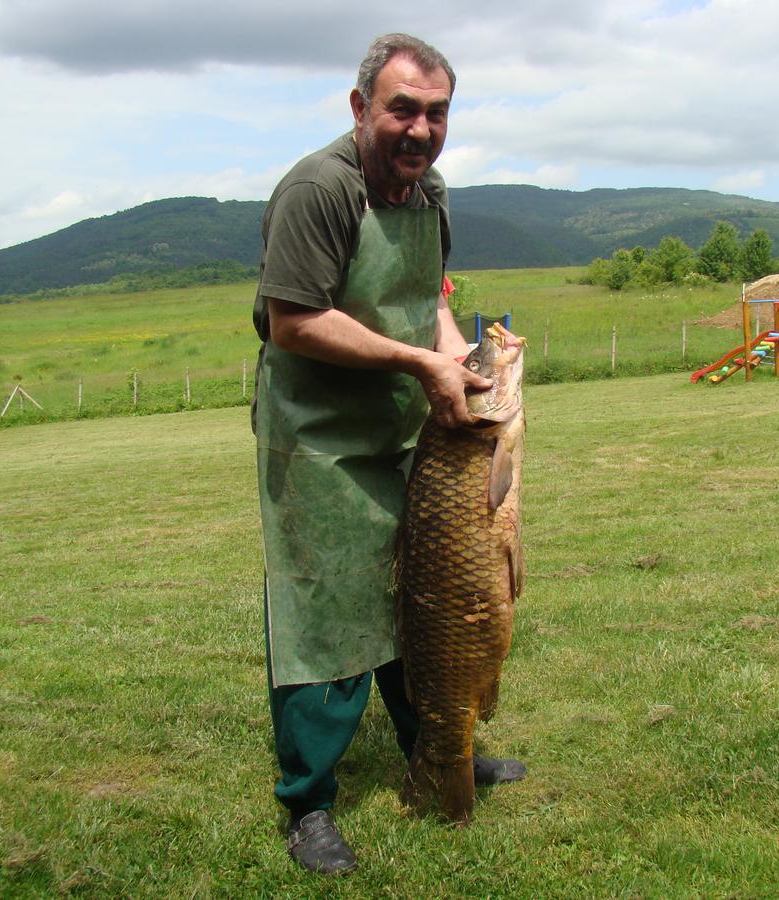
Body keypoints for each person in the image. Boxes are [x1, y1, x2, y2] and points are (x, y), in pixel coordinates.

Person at [251, 33, 526, 876]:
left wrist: (460, 367)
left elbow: (426, 302)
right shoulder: (319, 190)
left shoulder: (427, 192)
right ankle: (310, 804)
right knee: (326, 610)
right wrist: (419, 363)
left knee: (430, 591)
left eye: (436, 112)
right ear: (360, 106)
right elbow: (293, 318)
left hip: (411, 420)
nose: (419, 129)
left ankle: (438, 750)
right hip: (320, 435)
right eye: (402, 108)